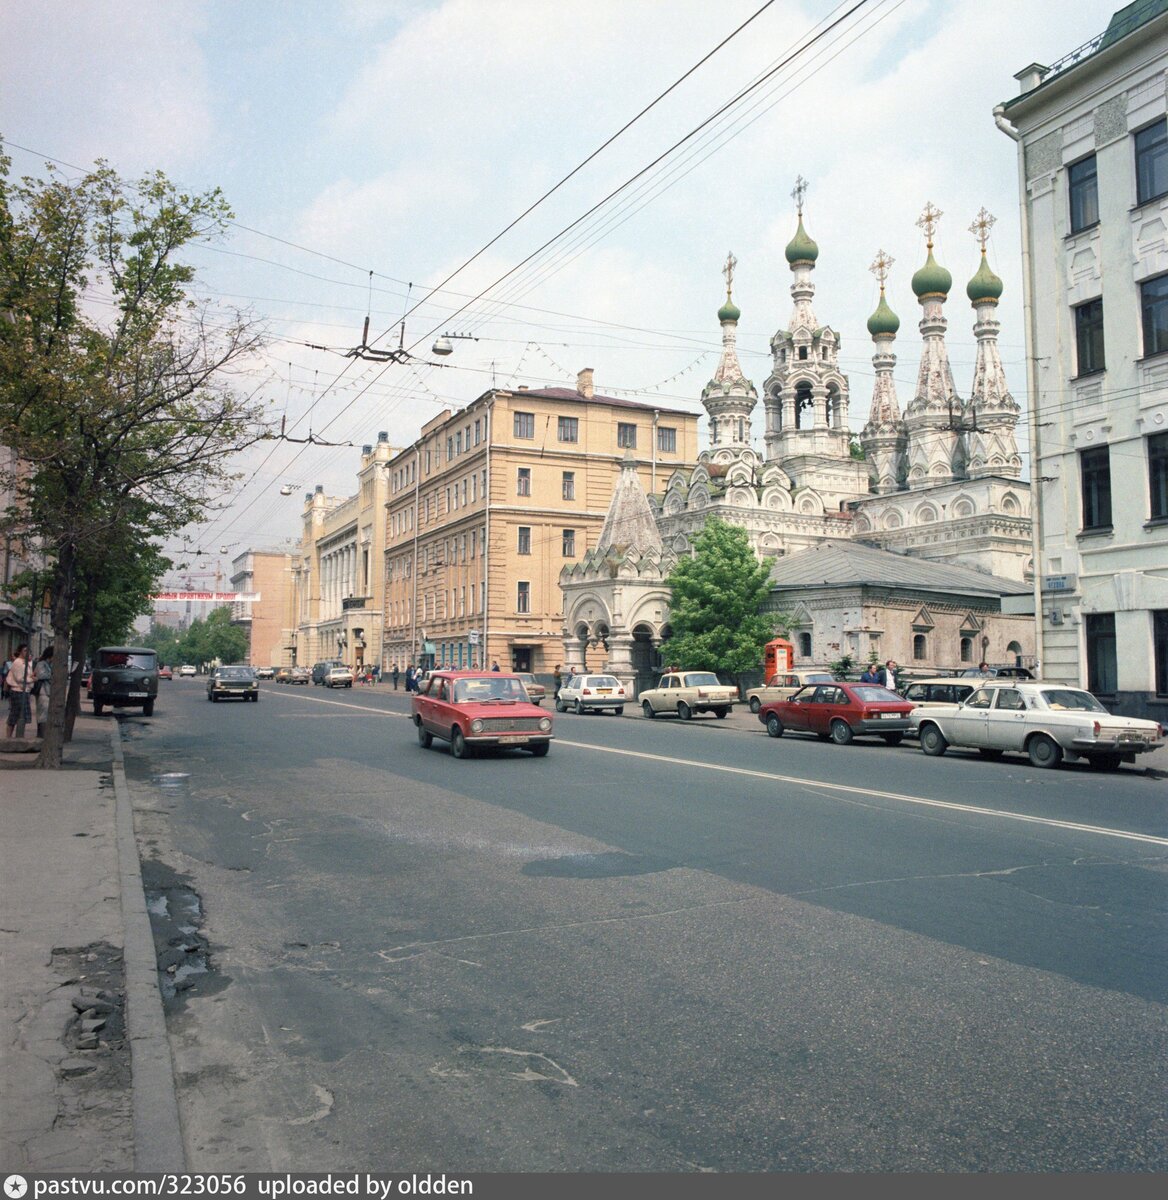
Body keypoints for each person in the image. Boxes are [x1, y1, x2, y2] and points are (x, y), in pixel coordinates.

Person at [5, 643, 33, 739]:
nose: (27, 652)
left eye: (28, 651)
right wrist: (32, 679)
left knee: (23, 715)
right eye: (25, 650)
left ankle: (20, 735)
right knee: (15, 714)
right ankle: (8, 737)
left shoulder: (27, 663)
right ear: (20, 651)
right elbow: (20, 678)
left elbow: (28, 676)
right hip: (17, 690)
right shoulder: (18, 662)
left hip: (25, 691)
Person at [33, 645, 53, 735]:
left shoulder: (49, 664)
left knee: (46, 713)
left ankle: (44, 733)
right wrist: (53, 675)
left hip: (48, 691)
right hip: (43, 691)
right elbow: (40, 675)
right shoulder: (41, 664)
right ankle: (41, 734)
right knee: (43, 713)